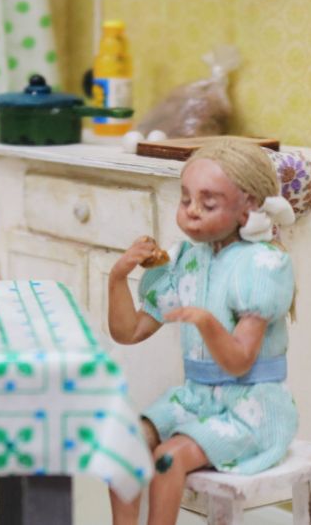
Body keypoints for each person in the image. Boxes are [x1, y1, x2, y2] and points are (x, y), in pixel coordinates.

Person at [106, 139, 298, 525]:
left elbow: (239, 361)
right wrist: (118, 278)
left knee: (168, 459)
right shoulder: (186, 260)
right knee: (123, 443)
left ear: (248, 206)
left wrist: (207, 322)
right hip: (196, 400)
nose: (192, 211)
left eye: (208, 204)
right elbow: (129, 331)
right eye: (186, 199)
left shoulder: (262, 265)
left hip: (251, 408)